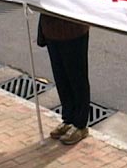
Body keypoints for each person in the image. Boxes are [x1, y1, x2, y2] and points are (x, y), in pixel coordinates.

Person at [37, 13, 90, 145]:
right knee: (60, 77)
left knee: (77, 77)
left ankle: (80, 125)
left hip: (74, 29)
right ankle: (68, 119)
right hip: (51, 29)